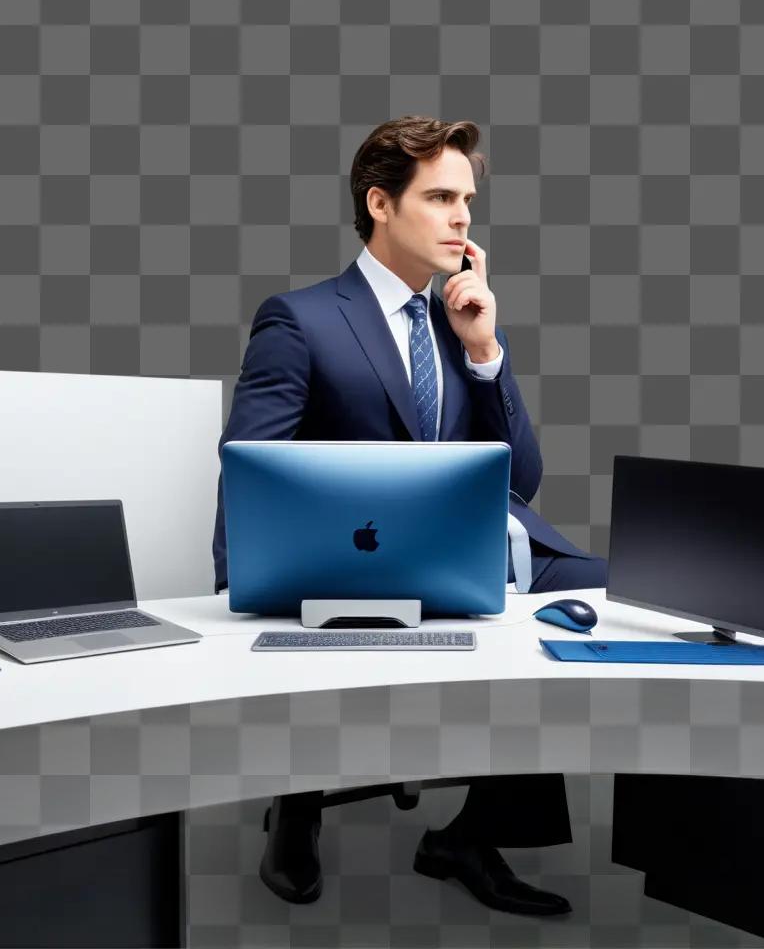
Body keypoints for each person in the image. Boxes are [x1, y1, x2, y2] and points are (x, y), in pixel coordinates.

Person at [212, 115, 608, 916]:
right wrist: (237, 580)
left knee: (634, 597)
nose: (463, 217)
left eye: (467, 198)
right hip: (367, 556)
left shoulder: (459, 319)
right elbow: (248, 467)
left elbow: (522, 480)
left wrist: (485, 350)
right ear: (380, 203)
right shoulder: (303, 319)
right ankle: (298, 803)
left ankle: (472, 832)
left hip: (484, 547)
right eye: (439, 197)